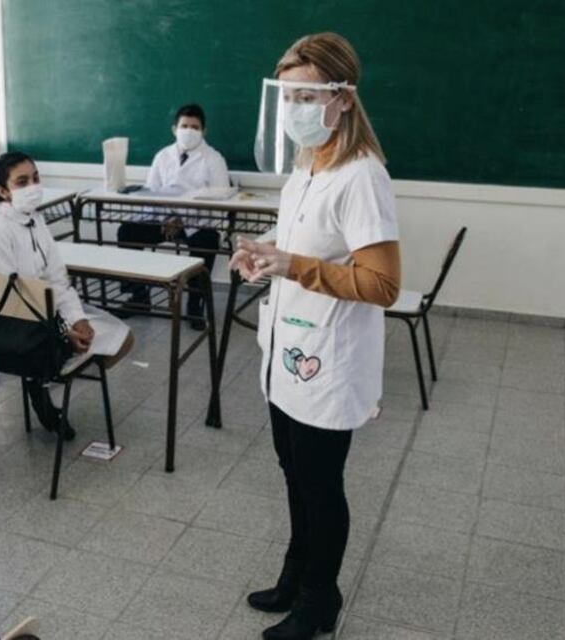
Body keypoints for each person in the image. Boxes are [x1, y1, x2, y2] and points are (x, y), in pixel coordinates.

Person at [230, 33, 400, 640]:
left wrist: (294, 266)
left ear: (344, 98)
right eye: (288, 96)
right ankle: (295, 575)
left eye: (308, 95)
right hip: (289, 349)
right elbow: (304, 252)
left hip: (329, 360)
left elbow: (383, 284)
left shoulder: (361, 176)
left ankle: (318, 602)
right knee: (292, 471)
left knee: (320, 485)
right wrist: (265, 256)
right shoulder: (309, 165)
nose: (295, 108)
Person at [0, 151, 134, 441]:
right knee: (85, 349)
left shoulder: (34, 219)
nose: (33, 186)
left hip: (42, 314)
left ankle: (40, 380)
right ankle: (42, 380)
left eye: (36, 177)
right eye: (22, 182)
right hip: (5, 330)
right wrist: (64, 331)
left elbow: (56, 278)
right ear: (3, 191)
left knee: (123, 339)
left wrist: (76, 320)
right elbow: (10, 303)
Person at [117, 103, 230, 329]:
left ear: (204, 131)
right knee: (127, 231)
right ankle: (139, 297)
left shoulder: (214, 158)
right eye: (184, 126)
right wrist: (167, 216)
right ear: (174, 129)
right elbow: (152, 192)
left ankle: (195, 304)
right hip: (162, 219)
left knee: (207, 241)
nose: (189, 131)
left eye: (195, 127)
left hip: (197, 223)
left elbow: (220, 198)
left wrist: (183, 218)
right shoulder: (163, 156)